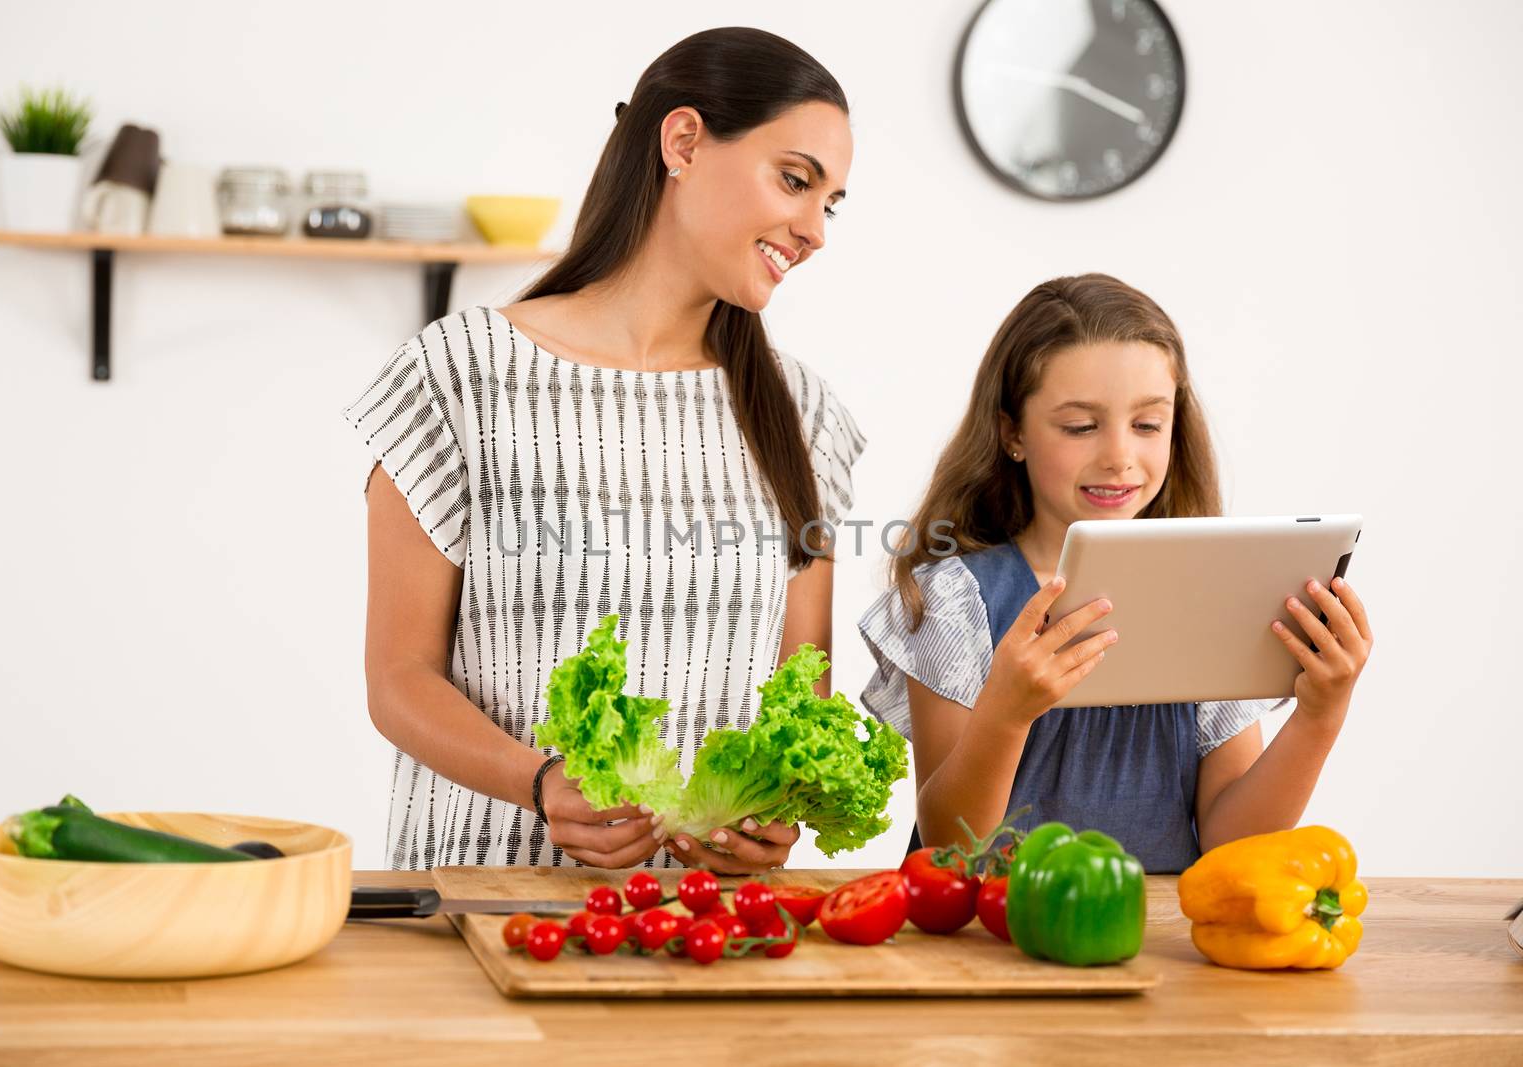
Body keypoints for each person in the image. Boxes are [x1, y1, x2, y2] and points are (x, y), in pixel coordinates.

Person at [341, 27, 862, 873]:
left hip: (705, 935)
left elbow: (801, 692)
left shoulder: (801, 413)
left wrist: (769, 810)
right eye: (795, 181)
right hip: (485, 904)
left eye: (830, 202)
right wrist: (541, 780)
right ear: (684, 141)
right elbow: (399, 677)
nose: (814, 230)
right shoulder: (462, 371)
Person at [857, 274, 1372, 872]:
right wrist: (1007, 712)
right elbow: (951, 848)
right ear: (1012, 432)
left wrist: (1321, 711)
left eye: (1148, 425)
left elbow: (1232, 846)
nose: (1120, 456)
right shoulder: (957, 598)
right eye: (1081, 427)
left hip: (1155, 944)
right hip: (987, 942)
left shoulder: (1213, 595)